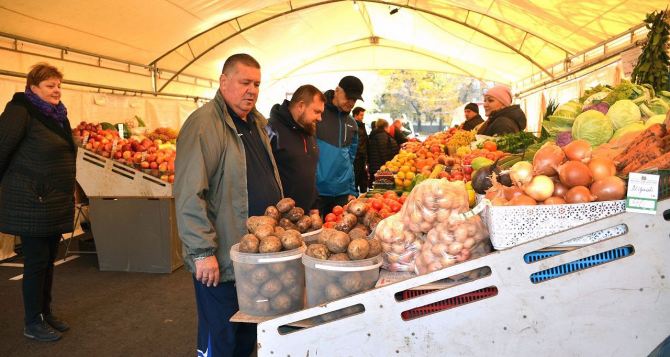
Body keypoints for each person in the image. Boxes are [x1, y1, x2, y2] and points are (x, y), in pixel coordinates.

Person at [174, 53, 283, 357]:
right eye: (245, 82)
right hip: (221, 258)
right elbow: (189, 193)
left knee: (247, 335)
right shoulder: (204, 124)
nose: (252, 90)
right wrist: (202, 252)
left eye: (257, 84)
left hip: (255, 256)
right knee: (220, 339)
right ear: (224, 82)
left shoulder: (256, 123)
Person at [0, 63, 76, 342]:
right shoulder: (19, 112)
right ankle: (32, 322)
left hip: (53, 201)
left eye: (58, 85)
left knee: (47, 262)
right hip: (32, 201)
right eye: (49, 85)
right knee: (35, 263)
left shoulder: (57, 115)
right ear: (33, 88)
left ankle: (45, 313)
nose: (56, 90)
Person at [267, 85, 325, 213]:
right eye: (316, 111)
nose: (320, 118)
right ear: (301, 106)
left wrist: (314, 205)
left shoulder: (309, 129)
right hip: (281, 218)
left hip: (306, 216)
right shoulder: (271, 130)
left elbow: (310, 173)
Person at [316, 76, 363, 215]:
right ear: (337, 90)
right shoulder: (317, 114)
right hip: (318, 193)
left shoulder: (352, 124)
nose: (351, 102)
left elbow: (350, 159)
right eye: (348, 97)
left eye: (354, 99)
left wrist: (352, 190)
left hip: (342, 194)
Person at [351, 107, 369, 194]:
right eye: (361, 115)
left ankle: (362, 196)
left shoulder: (361, 125)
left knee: (363, 179)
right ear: (355, 115)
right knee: (356, 178)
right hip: (357, 157)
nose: (363, 117)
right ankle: (354, 198)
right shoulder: (354, 126)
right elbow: (356, 143)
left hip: (361, 157)